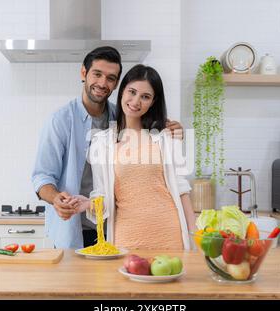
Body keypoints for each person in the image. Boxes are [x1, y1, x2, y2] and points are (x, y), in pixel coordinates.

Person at [31, 47, 183, 249]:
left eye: (111, 78)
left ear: (117, 84)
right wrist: (56, 199)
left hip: (115, 227)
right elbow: (42, 176)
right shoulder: (60, 121)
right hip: (75, 228)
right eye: (97, 74)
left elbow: (151, 145)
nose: (103, 83)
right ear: (84, 73)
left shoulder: (123, 116)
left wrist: (173, 130)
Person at [79, 64, 196, 250]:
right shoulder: (101, 143)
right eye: (132, 92)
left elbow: (181, 188)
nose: (136, 101)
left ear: (153, 102)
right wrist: (87, 204)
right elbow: (102, 196)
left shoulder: (166, 137)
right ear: (122, 91)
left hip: (170, 237)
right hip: (126, 239)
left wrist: (195, 233)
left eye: (145, 97)